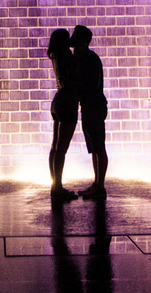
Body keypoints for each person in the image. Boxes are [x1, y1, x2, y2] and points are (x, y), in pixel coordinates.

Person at [70, 24, 108, 200]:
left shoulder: (90, 59)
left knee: (99, 147)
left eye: (76, 37)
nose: (73, 40)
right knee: (94, 148)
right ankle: (97, 184)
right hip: (89, 108)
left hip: (94, 107)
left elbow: (89, 85)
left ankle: (100, 186)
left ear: (84, 41)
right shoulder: (85, 58)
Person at [47, 28, 79, 201]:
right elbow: (76, 77)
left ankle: (55, 186)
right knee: (62, 149)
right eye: (68, 38)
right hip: (67, 101)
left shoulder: (55, 55)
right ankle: (58, 188)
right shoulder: (67, 56)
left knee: (55, 147)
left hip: (58, 100)